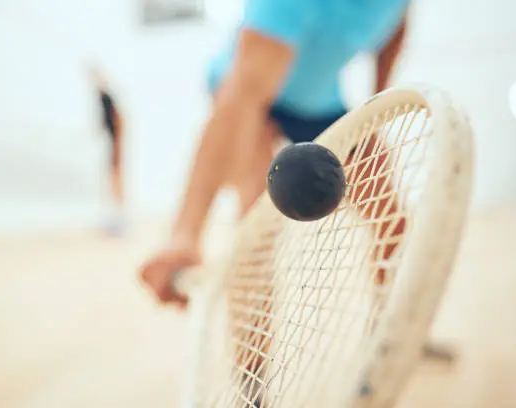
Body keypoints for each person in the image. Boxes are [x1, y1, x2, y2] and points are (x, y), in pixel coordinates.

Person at [140, 0, 410, 308]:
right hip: (245, 95)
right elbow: (242, 97)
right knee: (257, 232)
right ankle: (252, 357)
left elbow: (395, 31)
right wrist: (185, 235)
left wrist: (376, 103)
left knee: (391, 220)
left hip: (318, 101)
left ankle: (392, 331)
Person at [89, 67, 126, 230]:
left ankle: (120, 218)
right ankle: (116, 216)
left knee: (115, 178)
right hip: (112, 142)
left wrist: (118, 143)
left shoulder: (106, 97)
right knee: (112, 178)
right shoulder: (103, 97)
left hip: (115, 143)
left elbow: (118, 119)